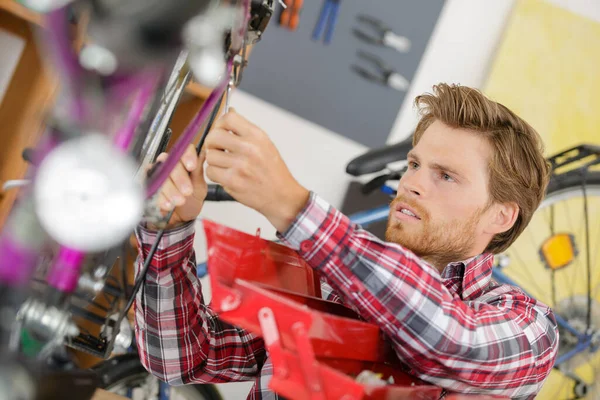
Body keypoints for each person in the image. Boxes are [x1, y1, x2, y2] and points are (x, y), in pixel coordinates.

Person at [133, 83, 558, 399]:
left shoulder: (529, 330)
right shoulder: (332, 287)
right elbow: (184, 357)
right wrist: (168, 229)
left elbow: (447, 342)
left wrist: (290, 204)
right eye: (413, 164)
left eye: (445, 175)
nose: (410, 183)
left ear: (501, 215)